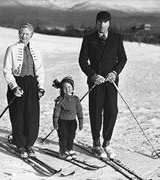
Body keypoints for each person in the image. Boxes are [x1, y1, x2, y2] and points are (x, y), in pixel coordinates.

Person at [79, 11, 127, 159]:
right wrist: (93, 75)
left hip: (111, 82)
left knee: (112, 111)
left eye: (105, 22)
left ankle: (107, 142)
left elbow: (123, 59)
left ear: (109, 23)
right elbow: (82, 61)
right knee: (95, 112)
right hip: (96, 82)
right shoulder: (88, 39)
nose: (102, 24)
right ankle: (96, 143)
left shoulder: (117, 38)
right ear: (96, 23)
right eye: (99, 22)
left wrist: (115, 73)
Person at [3, 23, 45, 158]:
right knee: (18, 116)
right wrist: (14, 86)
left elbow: (40, 70)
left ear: (31, 35)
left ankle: (29, 144)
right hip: (18, 83)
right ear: (18, 33)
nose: (24, 36)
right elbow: (7, 71)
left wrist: (41, 87)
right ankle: (20, 145)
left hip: (32, 84)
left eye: (27, 34)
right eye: (22, 33)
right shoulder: (11, 49)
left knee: (32, 116)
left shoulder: (36, 50)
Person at [52, 77, 83, 160]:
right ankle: (62, 151)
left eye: (69, 87)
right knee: (63, 137)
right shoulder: (60, 99)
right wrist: (55, 122)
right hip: (62, 122)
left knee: (71, 136)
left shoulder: (76, 99)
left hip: (72, 122)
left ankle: (70, 149)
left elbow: (79, 110)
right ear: (62, 89)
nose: (67, 89)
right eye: (65, 87)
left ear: (72, 88)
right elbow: (56, 111)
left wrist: (80, 122)